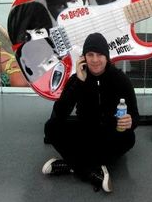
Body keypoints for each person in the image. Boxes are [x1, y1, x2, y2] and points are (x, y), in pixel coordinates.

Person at [42, 32, 139, 193]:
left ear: (107, 57)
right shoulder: (76, 79)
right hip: (85, 132)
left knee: (130, 138)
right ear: (83, 57)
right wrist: (79, 83)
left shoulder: (120, 79)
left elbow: (135, 116)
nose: (95, 60)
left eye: (100, 54)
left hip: (109, 134)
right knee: (51, 127)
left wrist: (131, 122)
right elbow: (59, 114)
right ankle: (93, 171)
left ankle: (72, 165)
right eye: (90, 54)